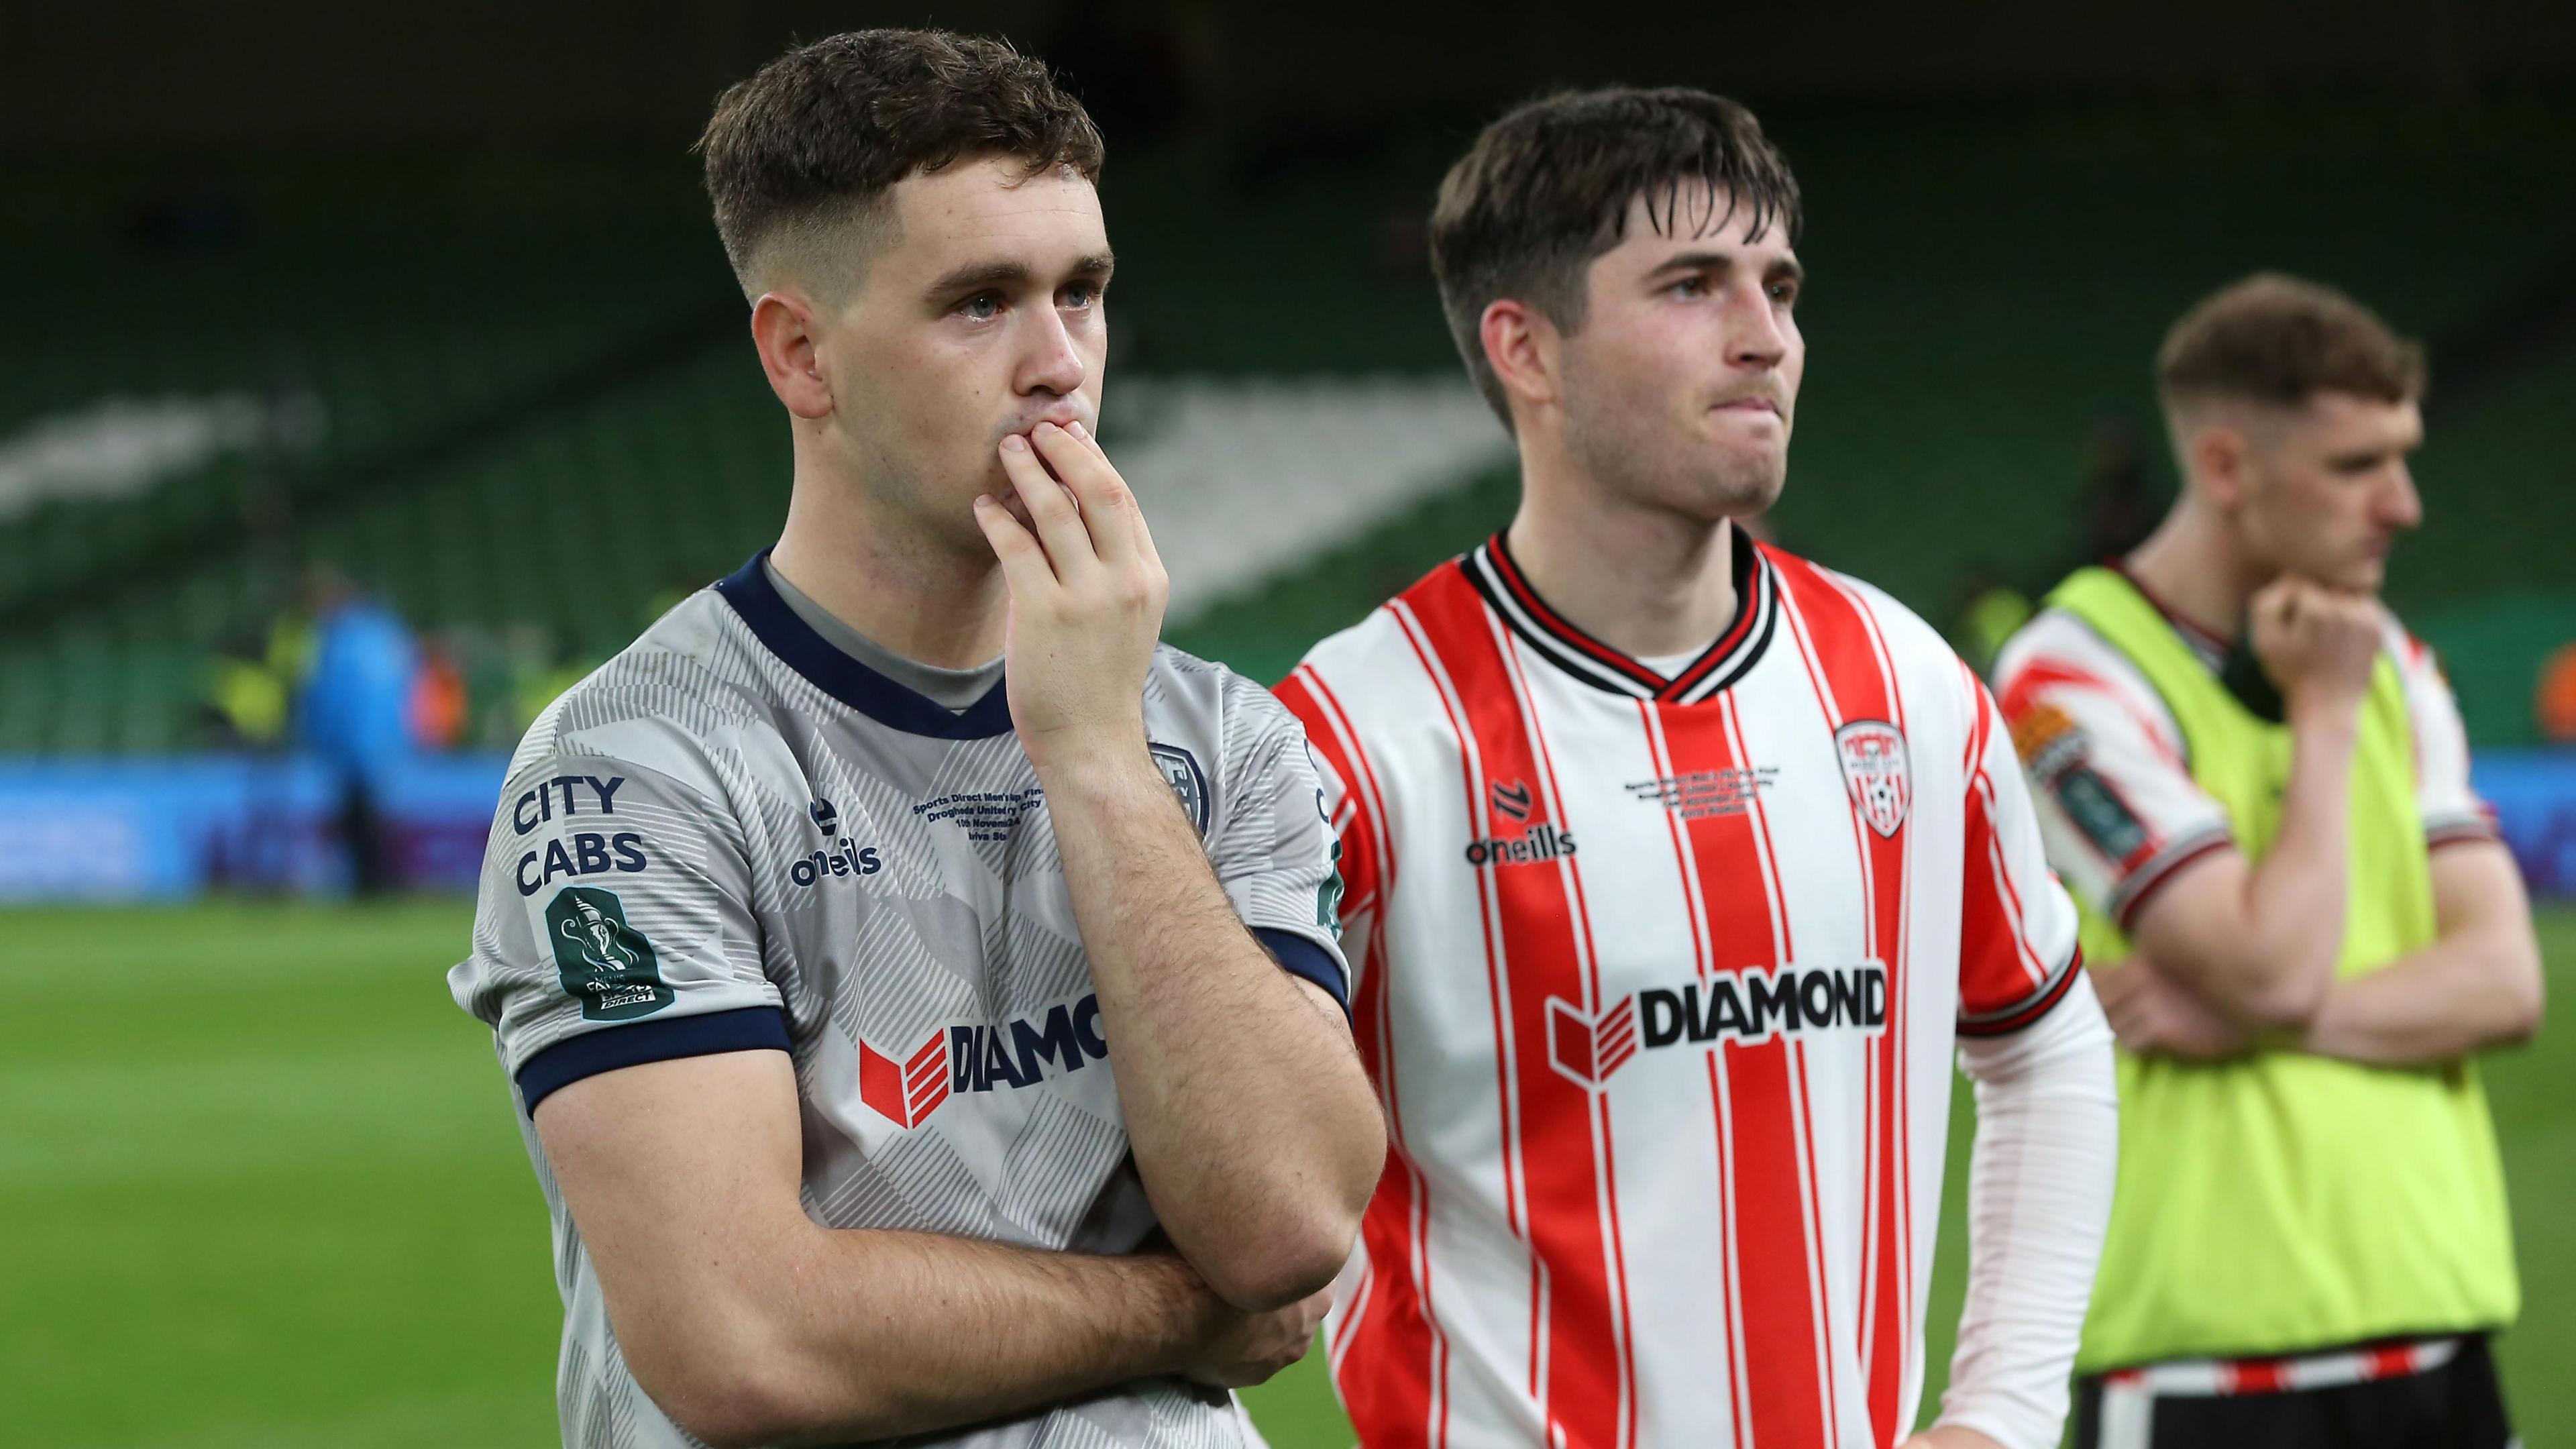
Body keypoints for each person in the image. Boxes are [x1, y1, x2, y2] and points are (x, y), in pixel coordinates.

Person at [447, 30, 1383, 1448]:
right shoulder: (632, 772)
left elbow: (1291, 1228)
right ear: (801, 354)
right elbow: (744, 1343)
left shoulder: (1219, 738)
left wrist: (1095, 758)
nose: (1060, 363)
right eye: (979, 303)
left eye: (1083, 292)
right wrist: (1172, 1316)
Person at [1275, 87, 2117, 1449]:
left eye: (1779, 286)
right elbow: (1219, 1195)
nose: (1767, 337)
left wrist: (2004, 1418)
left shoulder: (1906, 689)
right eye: (1692, 285)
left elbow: (2048, 1043)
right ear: (1526, 350)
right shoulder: (1357, 732)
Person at [1992, 274, 2542, 1448]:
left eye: (2402, 457)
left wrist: (2243, 1016)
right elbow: (2274, 968)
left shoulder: (2391, 655)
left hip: (2439, 1318)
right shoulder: (2071, 675)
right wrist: (2328, 717)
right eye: (2357, 466)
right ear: (2231, 468)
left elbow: (2505, 983)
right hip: (2210, 1357)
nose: (2403, 505)